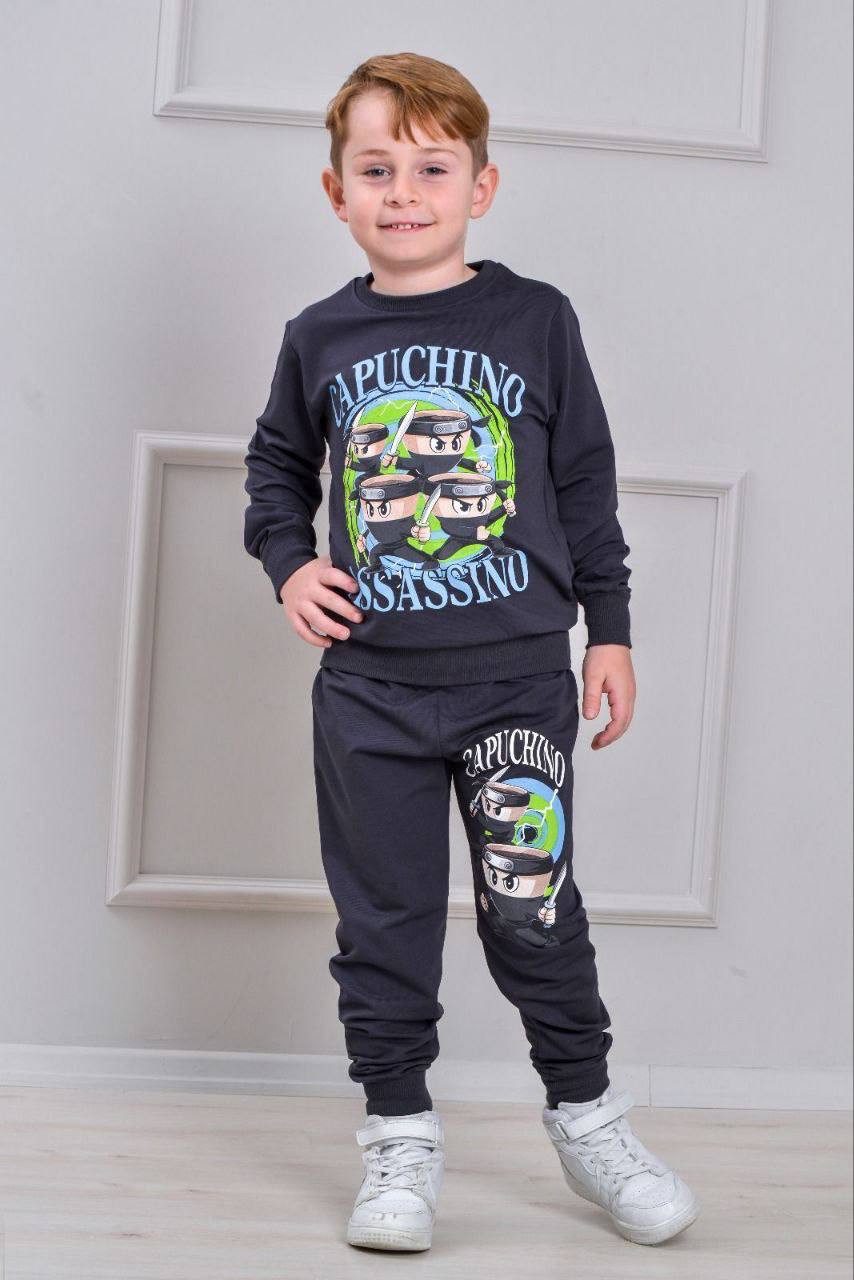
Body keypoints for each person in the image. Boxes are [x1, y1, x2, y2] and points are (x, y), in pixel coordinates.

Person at [243, 51, 700, 1253]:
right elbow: (275, 469)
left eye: (430, 168)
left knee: (531, 911)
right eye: (374, 169)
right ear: (335, 191)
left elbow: (583, 482)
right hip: (369, 695)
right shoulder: (318, 335)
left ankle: (587, 1117)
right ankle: (397, 1135)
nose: (402, 192)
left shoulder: (534, 320)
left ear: (480, 187)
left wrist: (609, 630)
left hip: (513, 683)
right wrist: (289, 563)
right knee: (383, 922)